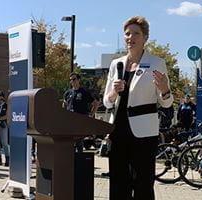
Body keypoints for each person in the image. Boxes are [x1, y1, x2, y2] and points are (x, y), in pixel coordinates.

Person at [103, 16, 173, 200]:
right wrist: (113, 93)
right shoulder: (116, 64)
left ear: (145, 37)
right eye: (127, 33)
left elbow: (166, 102)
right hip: (118, 131)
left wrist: (165, 89)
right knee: (118, 184)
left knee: (142, 184)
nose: (130, 37)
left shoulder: (156, 63)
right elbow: (106, 102)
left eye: (136, 33)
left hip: (144, 134)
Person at [63, 72, 99, 152]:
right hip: (70, 121)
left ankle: (79, 160)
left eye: (74, 79)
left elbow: (96, 103)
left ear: (78, 80)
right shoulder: (68, 93)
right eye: (71, 80)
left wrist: (91, 115)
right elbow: (64, 105)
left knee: (79, 142)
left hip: (80, 121)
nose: (72, 81)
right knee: (69, 142)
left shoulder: (84, 92)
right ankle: (70, 161)